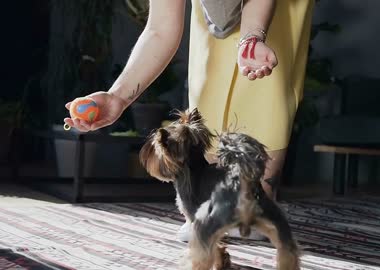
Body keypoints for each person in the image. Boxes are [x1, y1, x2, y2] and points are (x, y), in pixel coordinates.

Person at [64, 0, 314, 241]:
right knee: (211, 89)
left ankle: (256, 202)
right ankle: (216, 203)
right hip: (214, 29)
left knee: (263, 90)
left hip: (275, 20)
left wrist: (251, 38)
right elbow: (160, 28)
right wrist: (117, 96)